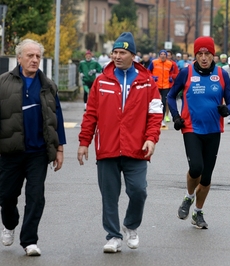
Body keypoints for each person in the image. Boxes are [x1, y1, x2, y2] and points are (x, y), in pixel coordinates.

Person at [77, 32, 163, 253]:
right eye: (114, 52)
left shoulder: (147, 83)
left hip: (136, 148)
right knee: (109, 195)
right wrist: (84, 141)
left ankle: (131, 226)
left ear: (132, 55)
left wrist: (151, 139)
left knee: (139, 191)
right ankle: (113, 236)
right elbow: (91, 114)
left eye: (122, 52)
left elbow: (155, 115)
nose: (116, 56)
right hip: (108, 147)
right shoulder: (101, 81)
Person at [0, 39, 66, 256]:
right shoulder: (3, 83)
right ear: (19, 58)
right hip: (11, 151)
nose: (35, 60)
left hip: (38, 152)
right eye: (30, 56)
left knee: (36, 196)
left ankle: (29, 241)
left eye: (37, 56)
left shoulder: (48, 85)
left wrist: (59, 149)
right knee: (7, 196)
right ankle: (10, 224)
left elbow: (57, 117)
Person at [167, 36, 230, 229]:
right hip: (191, 128)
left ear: (213, 55)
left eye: (207, 54)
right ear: (195, 55)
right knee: (196, 167)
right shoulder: (186, 72)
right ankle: (188, 197)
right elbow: (171, 96)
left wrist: (227, 110)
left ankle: (197, 213)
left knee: (206, 178)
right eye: (200, 54)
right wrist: (176, 116)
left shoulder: (222, 74)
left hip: (213, 130)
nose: (204, 58)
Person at [148, 49, 174, 127]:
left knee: (163, 102)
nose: (163, 56)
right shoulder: (154, 62)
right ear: (159, 55)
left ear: (166, 56)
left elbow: (171, 72)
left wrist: (170, 77)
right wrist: (152, 77)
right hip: (156, 85)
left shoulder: (170, 64)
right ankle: (151, 119)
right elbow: (148, 72)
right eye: (161, 54)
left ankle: (161, 120)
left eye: (164, 54)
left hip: (165, 85)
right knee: (155, 102)